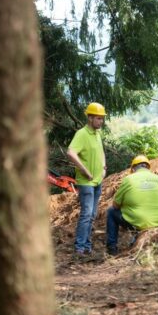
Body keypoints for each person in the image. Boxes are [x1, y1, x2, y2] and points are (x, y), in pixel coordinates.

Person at [106, 155, 158, 255]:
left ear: (133, 168)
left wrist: (127, 205)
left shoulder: (129, 179)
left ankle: (112, 248)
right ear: (148, 167)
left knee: (111, 212)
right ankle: (136, 239)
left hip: (141, 222)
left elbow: (115, 206)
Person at [67, 102, 107, 255]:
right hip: (86, 183)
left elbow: (101, 151)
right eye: (98, 118)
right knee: (86, 214)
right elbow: (71, 152)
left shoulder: (97, 134)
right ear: (90, 118)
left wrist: (103, 167)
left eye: (102, 118)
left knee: (92, 215)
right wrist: (84, 170)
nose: (101, 121)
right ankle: (79, 248)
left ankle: (87, 246)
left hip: (97, 181)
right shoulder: (82, 134)